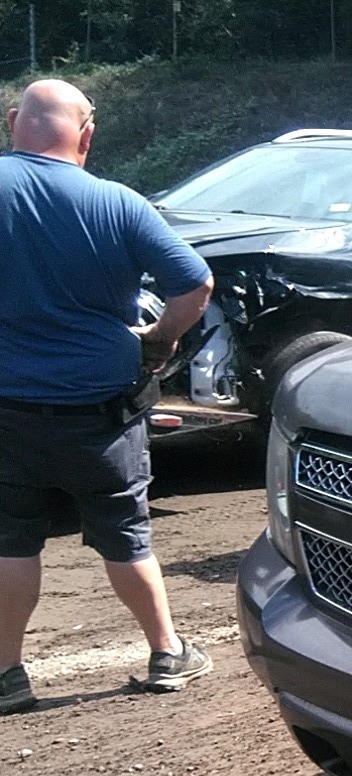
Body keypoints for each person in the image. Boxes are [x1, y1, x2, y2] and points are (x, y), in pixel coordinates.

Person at [0, 79, 216, 715]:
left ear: (15, 121)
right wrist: (159, 340)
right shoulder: (117, 203)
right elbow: (196, 282)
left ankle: (8, 675)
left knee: (10, 538)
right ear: (86, 134)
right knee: (125, 530)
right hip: (99, 410)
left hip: (7, 408)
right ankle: (167, 651)